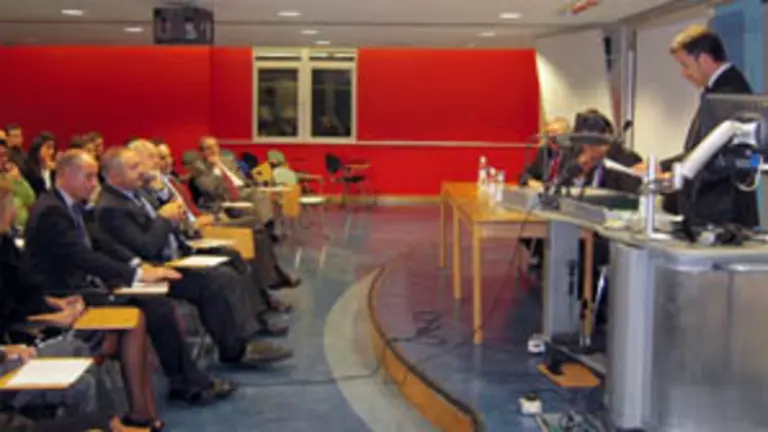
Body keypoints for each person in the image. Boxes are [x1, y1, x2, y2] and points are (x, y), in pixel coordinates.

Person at [23, 150, 237, 405]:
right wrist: (136, 274)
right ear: (65, 175)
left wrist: (136, 267)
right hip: (66, 294)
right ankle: (185, 383)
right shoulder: (51, 211)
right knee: (157, 308)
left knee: (160, 303)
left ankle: (186, 381)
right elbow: (83, 257)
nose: (94, 184)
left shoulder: (74, 206)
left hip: (93, 283)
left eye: (94, 177)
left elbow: (103, 245)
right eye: (88, 177)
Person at [94, 147, 293, 366]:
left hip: (176, 252)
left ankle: (250, 328)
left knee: (231, 258)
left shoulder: (136, 194)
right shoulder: (111, 207)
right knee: (218, 279)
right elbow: (147, 247)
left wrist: (170, 213)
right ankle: (234, 349)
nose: (141, 170)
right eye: (134, 167)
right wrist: (164, 219)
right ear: (114, 175)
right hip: (154, 270)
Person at [634, 25, 756, 227]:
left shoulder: (727, 93)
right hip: (717, 211)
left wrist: (675, 176)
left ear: (704, 59)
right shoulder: (720, 90)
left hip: (722, 214)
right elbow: (702, 149)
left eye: (685, 65)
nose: (684, 73)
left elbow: (718, 157)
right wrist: (661, 166)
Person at [521, 117, 571, 187]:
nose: (550, 135)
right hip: (544, 191)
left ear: (565, 135)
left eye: (554, 132)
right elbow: (526, 175)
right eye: (548, 132)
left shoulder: (572, 152)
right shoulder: (544, 151)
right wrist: (530, 181)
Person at [23, 132, 57, 196]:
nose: (51, 152)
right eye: (48, 147)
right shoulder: (28, 170)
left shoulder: (54, 170)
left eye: (53, 148)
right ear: (37, 148)